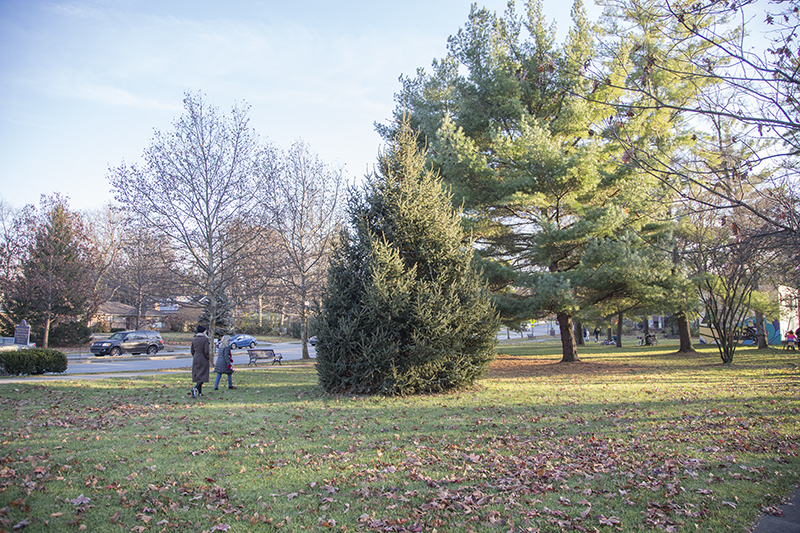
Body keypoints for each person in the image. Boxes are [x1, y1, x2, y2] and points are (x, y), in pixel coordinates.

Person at [190, 325, 210, 397]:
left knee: (198, 375)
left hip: (196, 358)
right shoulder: (205, 339)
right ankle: (195, 388)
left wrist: (195, 355)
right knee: (203, 375)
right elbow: (206, 351)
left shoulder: (194, 339)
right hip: (203, 358)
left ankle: (200, 393)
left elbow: (192, 350)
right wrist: (208, 357)